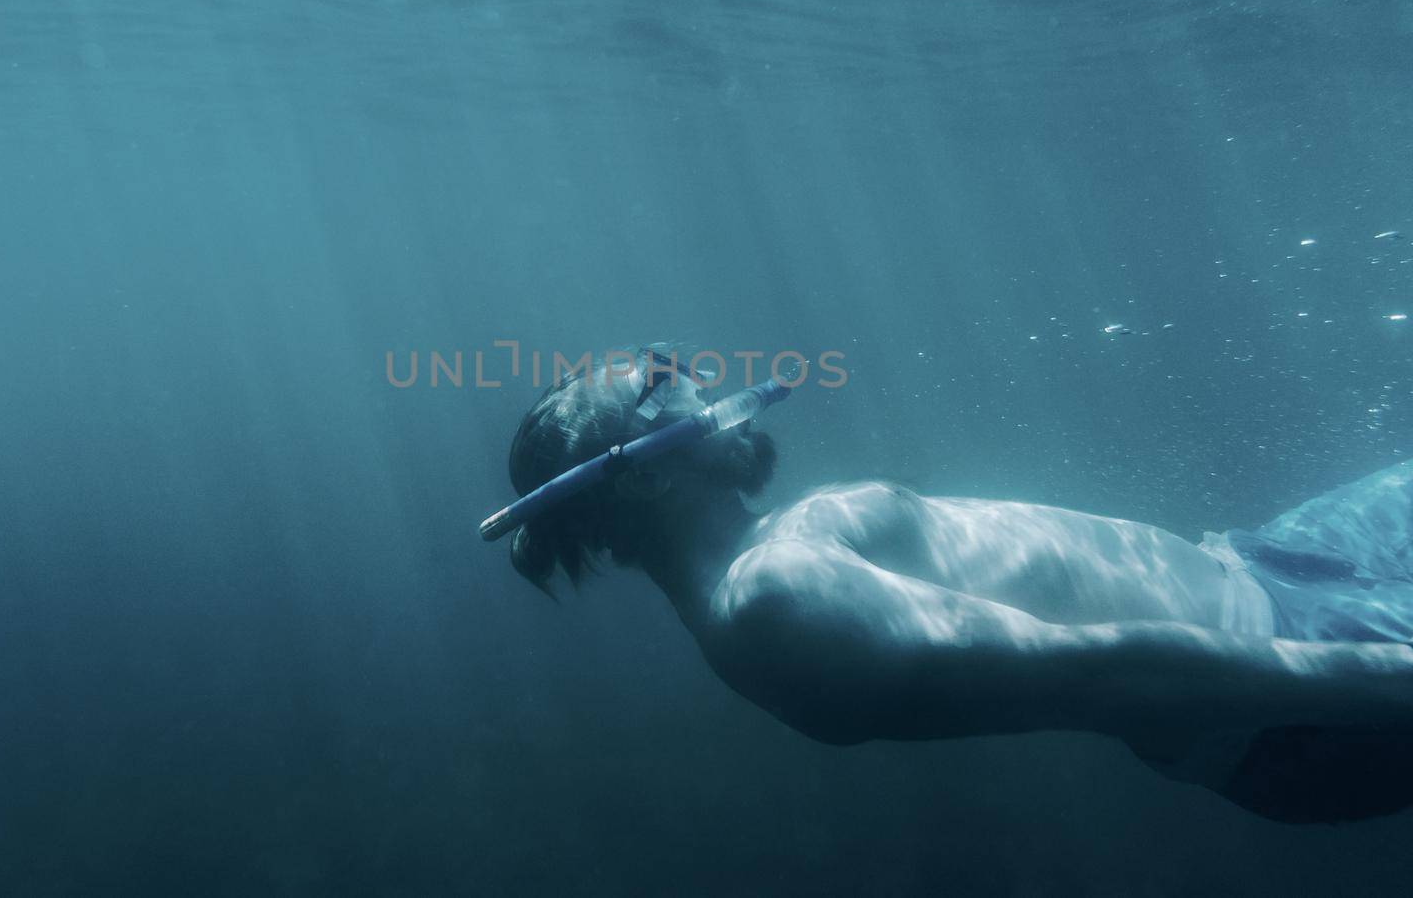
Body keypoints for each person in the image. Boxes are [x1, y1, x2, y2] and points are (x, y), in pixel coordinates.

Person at [486, 349, 1413, 824]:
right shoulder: (777, 601)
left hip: (1263, 570)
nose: (700, 384)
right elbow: (1099, 669)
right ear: (642, 473)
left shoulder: (773, 562)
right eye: (660, 387)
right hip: (1302, 688)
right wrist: (1376, 673)